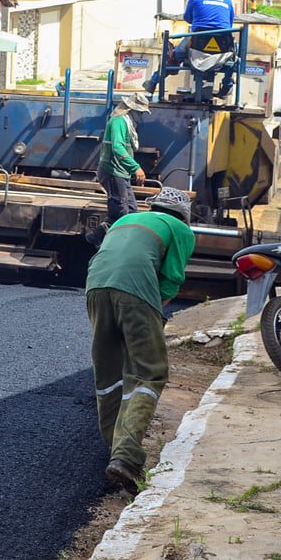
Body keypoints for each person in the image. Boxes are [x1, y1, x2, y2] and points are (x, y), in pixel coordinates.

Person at [85, 187, 196, 495]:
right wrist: (154, 311)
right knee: (149, 372)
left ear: (154, 206)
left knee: (109, 373)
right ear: (184, 215)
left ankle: (113, 448)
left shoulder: (126, 220)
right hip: (134, 292)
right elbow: (171, 278)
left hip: (95, 287)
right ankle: (126, 457)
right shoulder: (181, 230)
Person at [143, 0, 236, 97]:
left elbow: (187, 18)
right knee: (235, 59)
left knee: (174, 55)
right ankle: (227, 87)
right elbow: (229, 24)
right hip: (223, 47)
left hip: (198, 42)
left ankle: (153, 82)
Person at [86, 93, 150, 248]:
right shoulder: (119, 121)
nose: (141, 116)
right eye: (140, 112)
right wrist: (135, 167)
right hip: (112, 171)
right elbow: (117, 147)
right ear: (132, 109)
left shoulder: (127, 122)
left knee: (132, 211)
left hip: (121, 172)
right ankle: (98, 237)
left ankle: (122, 242)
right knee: (120, 211)